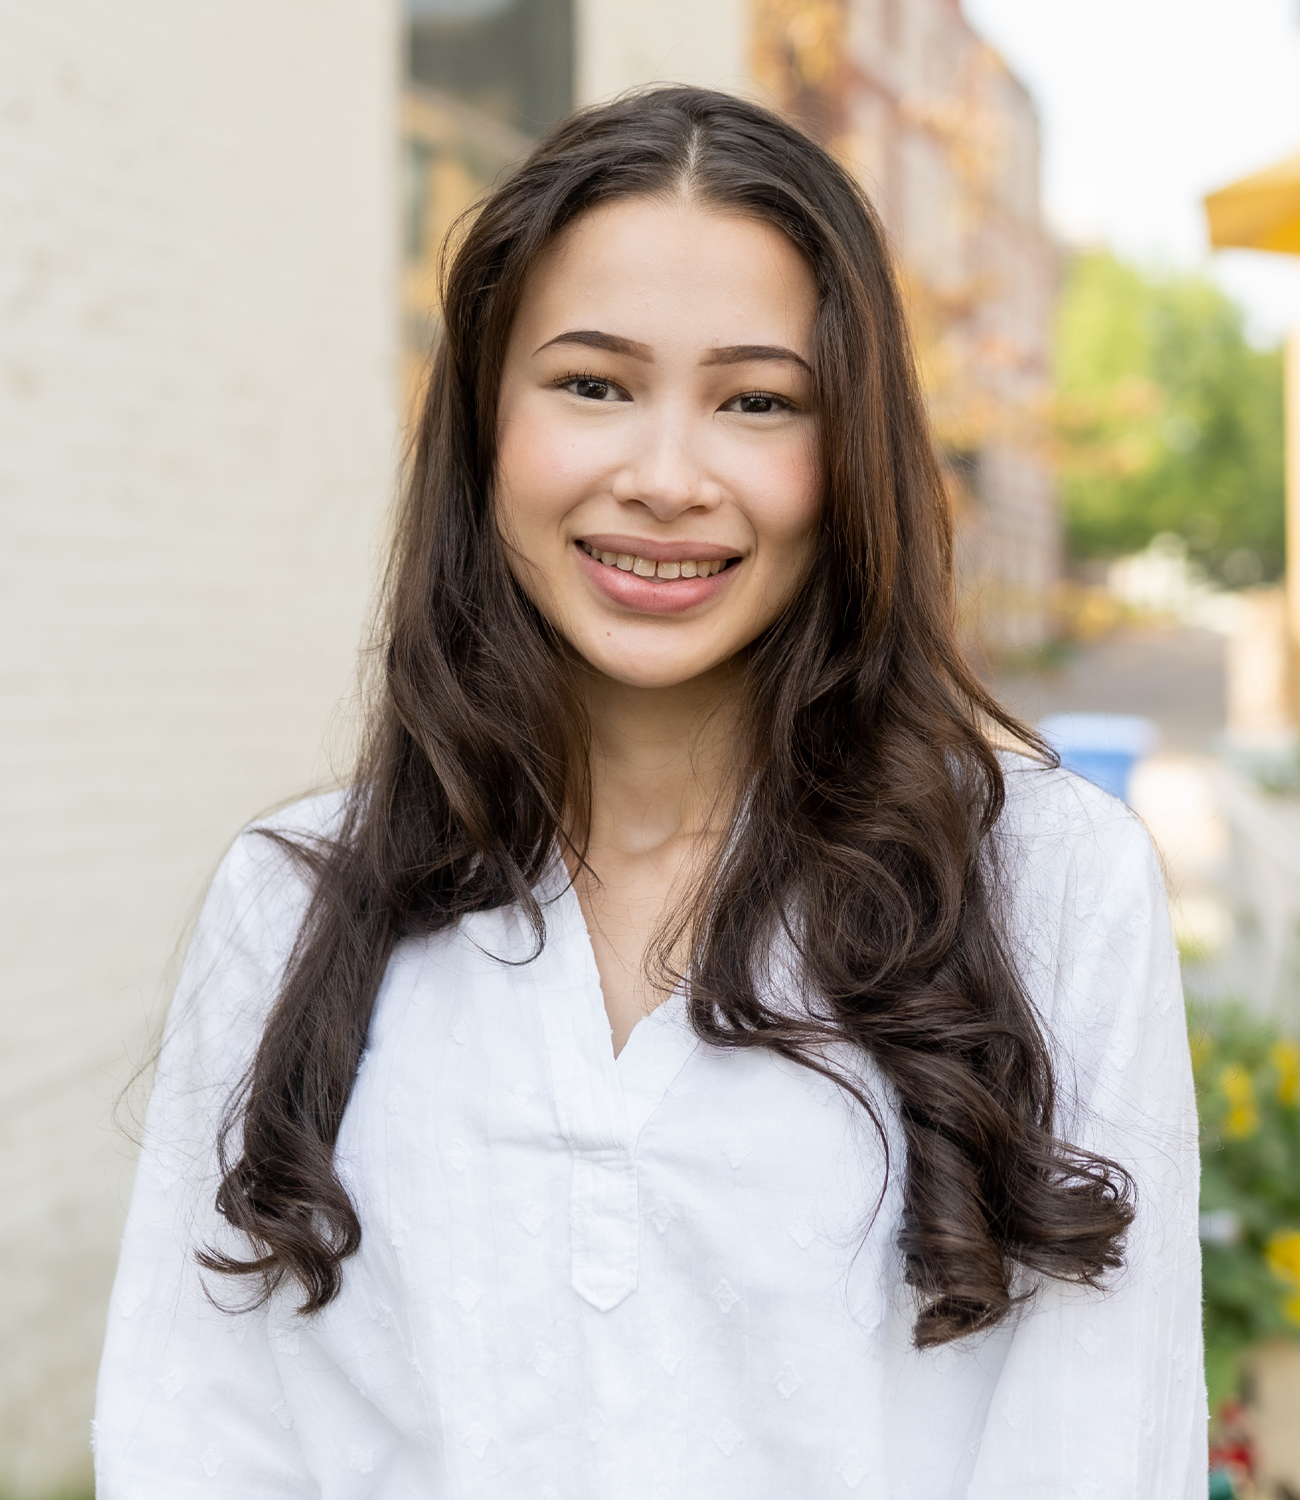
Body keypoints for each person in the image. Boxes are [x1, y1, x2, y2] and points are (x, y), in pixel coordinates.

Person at [94, 86, 1205, 1498]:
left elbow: (1097, 1444)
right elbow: (198, 1433)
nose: (666, 477)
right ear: (486, 422)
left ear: (849, 449)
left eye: (757, 401)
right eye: (593, 384)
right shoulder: (297, 900)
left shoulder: (1047, 882)